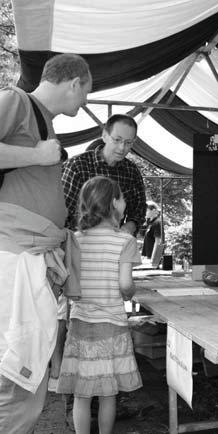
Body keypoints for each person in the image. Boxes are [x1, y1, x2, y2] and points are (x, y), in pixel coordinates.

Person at [0, 53, 91, 433]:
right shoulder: (16, 100)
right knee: (17, 366)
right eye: (86, 92)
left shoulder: (42, 120)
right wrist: (35, 154)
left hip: (31, 255)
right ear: (75, 83)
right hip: (15, 254)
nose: (85, 101)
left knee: (27, 366)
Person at [56, 176, 142, 434]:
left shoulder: (74, 240)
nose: (125, 201)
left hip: (80, 326)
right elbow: (125, 284)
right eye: (122, 197)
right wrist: (129, 293)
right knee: (108, 394)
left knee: (82, 394)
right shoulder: (125, 242)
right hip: (112, 326)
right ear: (114, 203)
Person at [62, 113, 147, 236]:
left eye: (128, 142)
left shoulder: (131, 172)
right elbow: (61, 212)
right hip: (77, 243)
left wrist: (129, 227)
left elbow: (138, 210)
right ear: (105, 136)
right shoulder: (78, 166)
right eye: (117, 140)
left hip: (113, 246)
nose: (122, 147)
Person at [141, 201, 163, 267]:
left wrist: (153, 260)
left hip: (153, 261)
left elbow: (158, 241)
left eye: (146, 210)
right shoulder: (150, 222)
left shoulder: (157, 222)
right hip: (148, 258)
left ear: (153, 210)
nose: (144, 212)